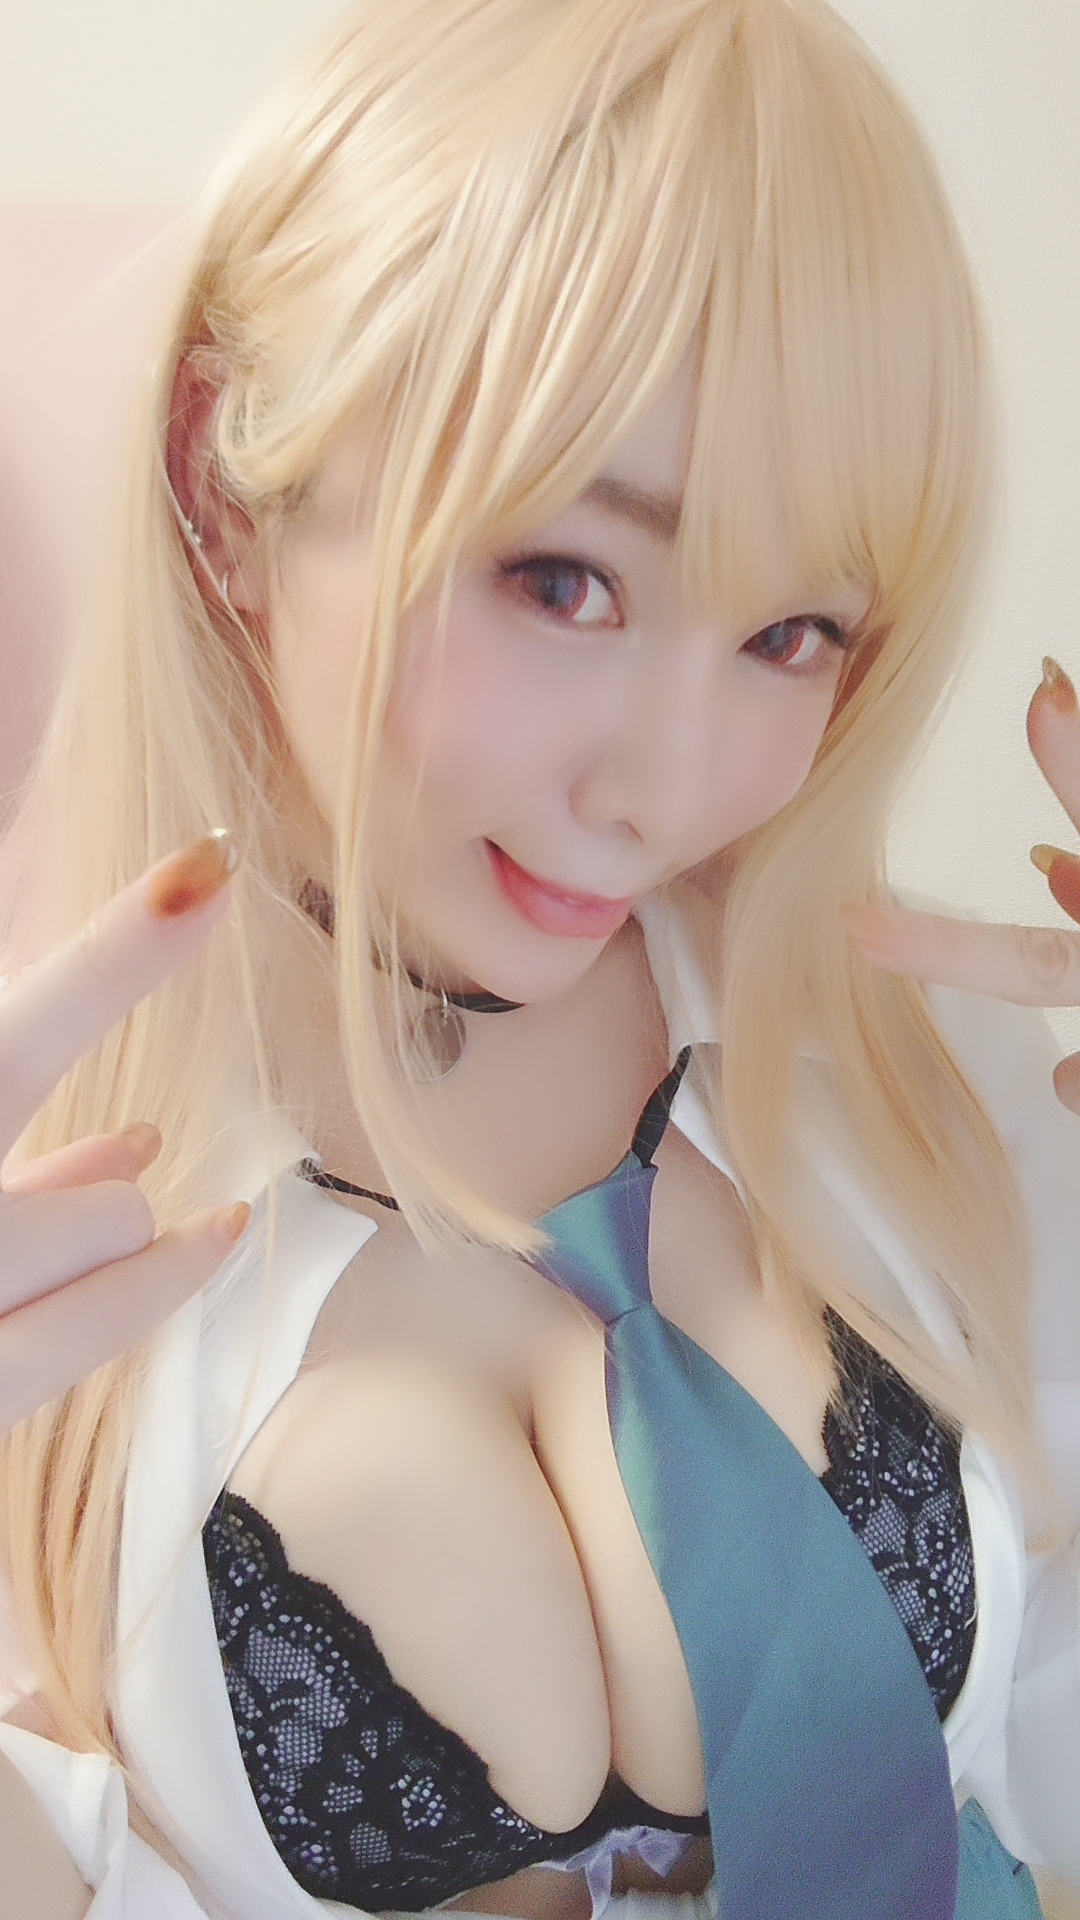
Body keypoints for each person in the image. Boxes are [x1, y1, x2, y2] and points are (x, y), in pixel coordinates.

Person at [0, 0, 1078, 1914]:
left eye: (793, 634)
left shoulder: (938, 1081)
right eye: (564, 580)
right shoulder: (44, 1234)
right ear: (225, 483)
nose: (657, 794)